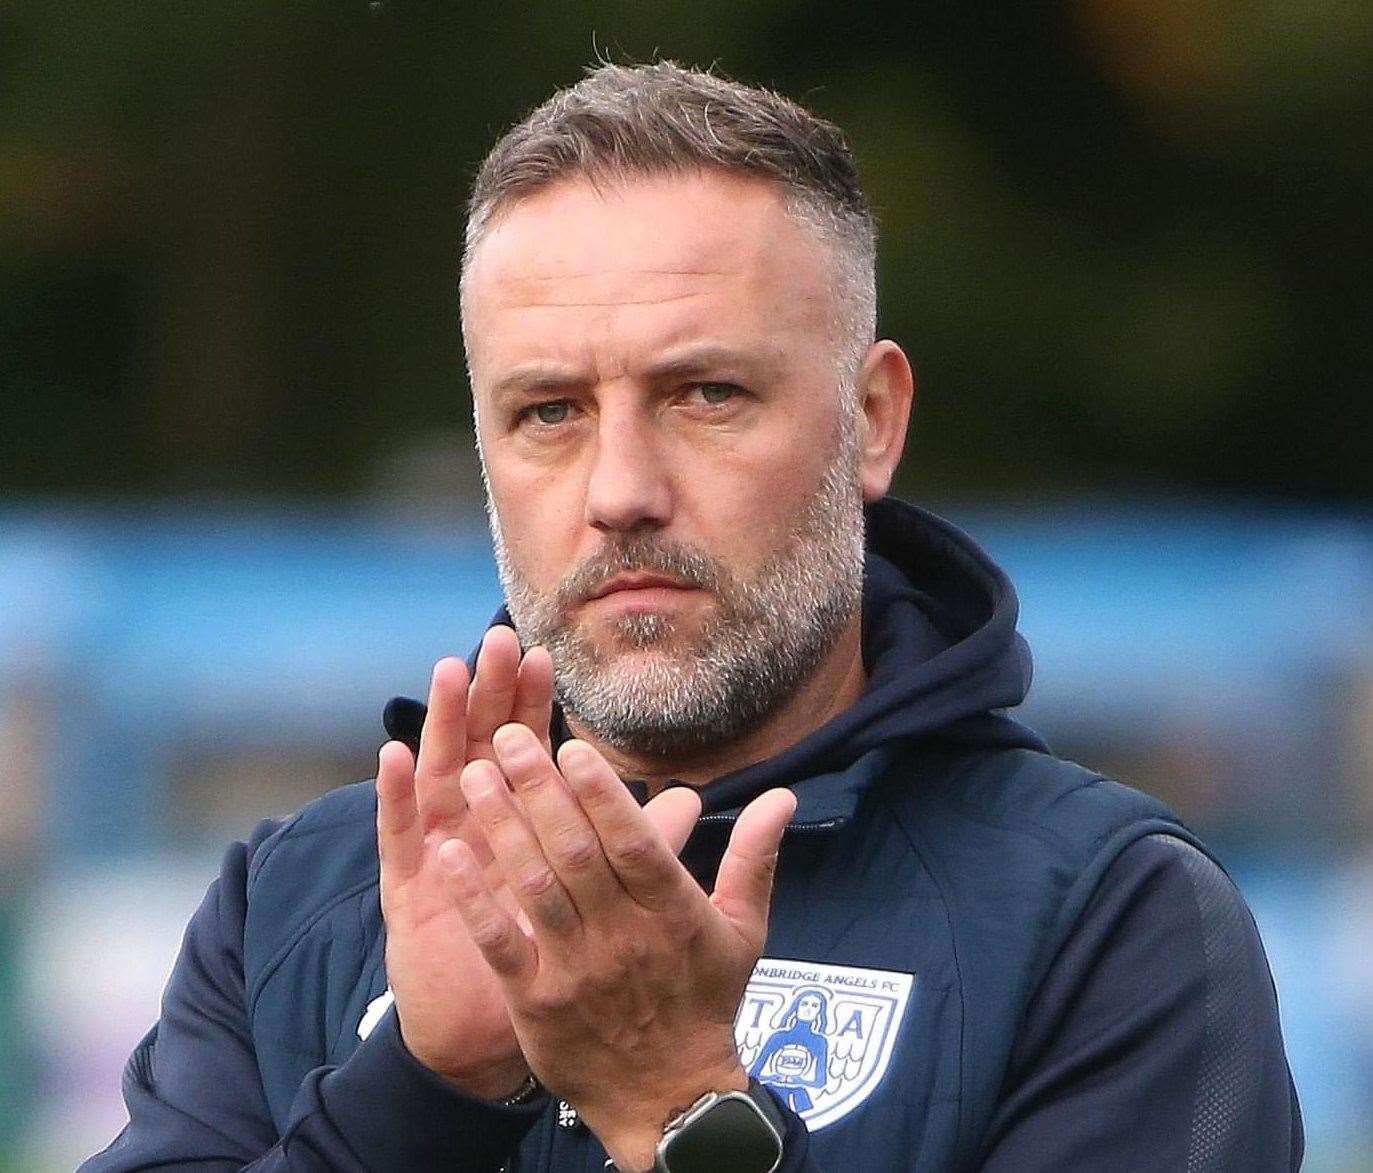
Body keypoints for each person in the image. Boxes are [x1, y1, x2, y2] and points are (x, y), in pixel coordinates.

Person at [82, 61, 1303, 1172]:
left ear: (869, 420)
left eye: (706, 393)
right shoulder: (299, 901)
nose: (620, 491)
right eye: (549, 412)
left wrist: (678, 1104)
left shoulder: (1108, 923)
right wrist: (419, 1093)